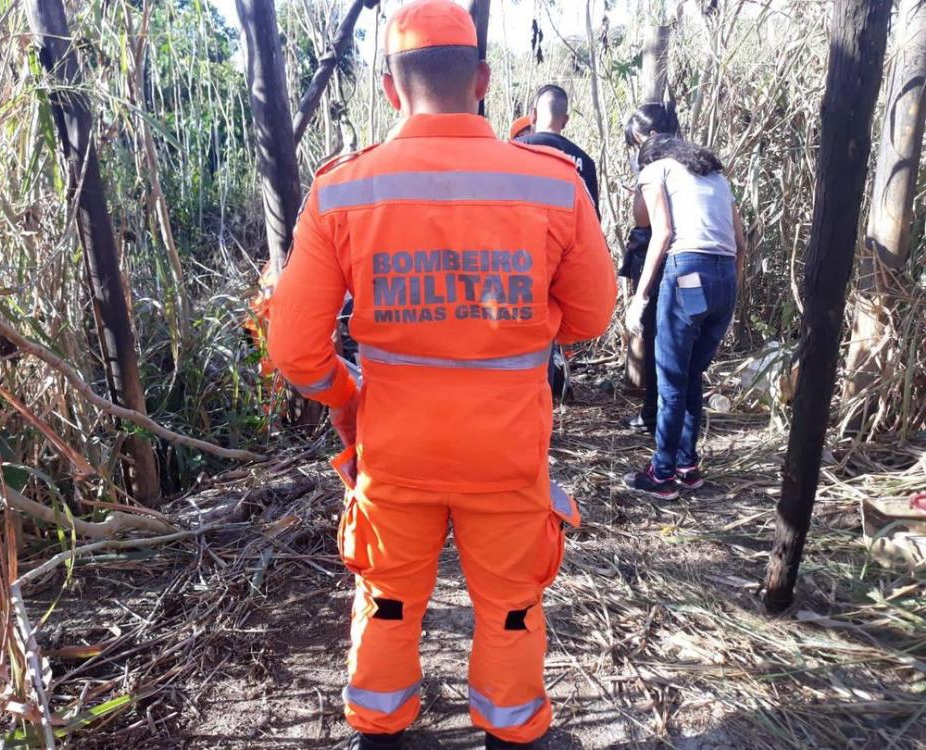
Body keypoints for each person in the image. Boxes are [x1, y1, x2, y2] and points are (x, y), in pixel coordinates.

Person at [266, 2, 617, 748]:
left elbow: (295, 350)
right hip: (507, 452)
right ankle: (511, 731)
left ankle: (380, 729)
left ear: (391, 89)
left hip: (396, 451)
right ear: (482, 81)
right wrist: (527, 320)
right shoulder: (553, 184)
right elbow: (590, 318)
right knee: (511, 609)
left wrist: (347, 397)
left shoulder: (343, 190)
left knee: (389, 602)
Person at [622, 134, 746, 500]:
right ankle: (686, 466)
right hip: (725, 277)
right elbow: (741, 244)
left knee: (672, 380)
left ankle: (662, 473)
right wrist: (729, 294)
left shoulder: (655, 170)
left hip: (688, 271)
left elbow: (659, 232)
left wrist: (640, 296)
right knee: (691, 375)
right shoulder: (716, 176)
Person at [618, 102, 680, 434]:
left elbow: (644, 220)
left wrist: (640, 182)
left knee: (657, 337)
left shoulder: (656, 169)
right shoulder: (691, 162)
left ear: (653, 135)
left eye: (638, 142)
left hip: (663, 257)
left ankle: (655, 413)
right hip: (685, 259)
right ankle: (662, 414)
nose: (636, 150)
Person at [519, 84, 599, 215]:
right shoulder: (585, 163)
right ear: (565, 120)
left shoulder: (517, 149)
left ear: (533, 115)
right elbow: (593, 218)